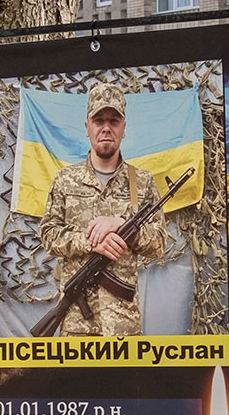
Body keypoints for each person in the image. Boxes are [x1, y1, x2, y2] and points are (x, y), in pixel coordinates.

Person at [37, 81, 164, 336]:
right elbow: (48, 235)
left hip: (123, 326)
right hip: (76, 326)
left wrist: (121, 224)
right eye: (99, 120)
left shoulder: (143, 182)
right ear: (87, 127)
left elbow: (159, 243)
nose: (106, 128)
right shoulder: (65, 180)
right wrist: (90, 242)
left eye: (114, 120)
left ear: (124, 128)